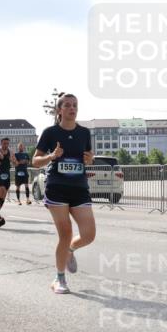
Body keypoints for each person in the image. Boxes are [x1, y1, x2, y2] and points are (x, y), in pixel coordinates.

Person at [32, 93, 96, 294]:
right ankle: (59, 279)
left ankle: (70, 251)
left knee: (89, 234)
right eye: (67, 105)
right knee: (65, 233)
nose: (72, 108)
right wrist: (52, 156)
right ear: (59, 110)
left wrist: (89, 159)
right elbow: (35, 161)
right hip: (57, 188)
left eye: (75, 105)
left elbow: (87, 157)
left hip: (79, 188)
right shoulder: (50, 132)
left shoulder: (85, 133)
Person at [0, 137, 16, 207]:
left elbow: (16, 164)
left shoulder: (10, 152)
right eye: (4, 143)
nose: (6, 145)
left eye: (7, 143)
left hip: (7, 175)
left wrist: (13, 160)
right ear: (1, 143)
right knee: (2, 190)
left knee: (3, 196)